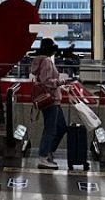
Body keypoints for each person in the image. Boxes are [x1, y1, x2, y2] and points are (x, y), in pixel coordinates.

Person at [31, 37, 73, 170]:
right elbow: (47, 81)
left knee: (60, 127)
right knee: (51, 129)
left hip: (52, 99)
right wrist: (61, 83)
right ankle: (43, 156)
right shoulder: (47, 61)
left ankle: (49, 152)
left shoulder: (40, 60)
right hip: (52, 100)